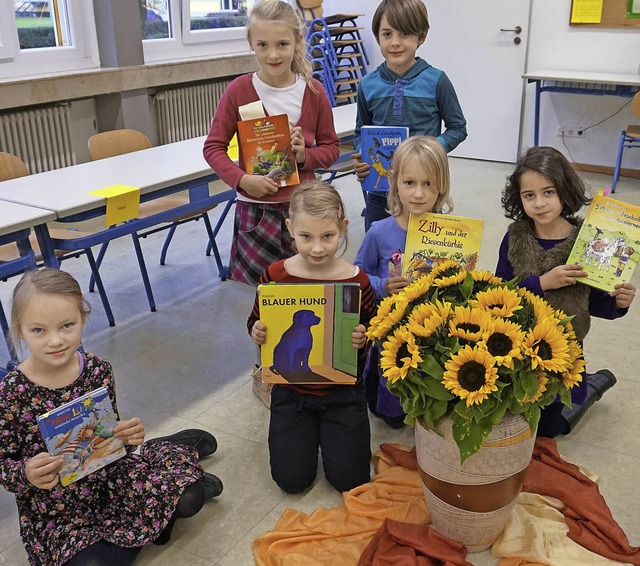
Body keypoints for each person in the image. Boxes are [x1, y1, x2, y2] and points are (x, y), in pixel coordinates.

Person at [0, 269, 223, 566]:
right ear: (20, 329)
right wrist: (26, 472)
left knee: (190, 499)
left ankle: (164, 457)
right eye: (38, 330)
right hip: (58, 509)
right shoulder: (10, 393)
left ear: (83, 319)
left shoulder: (97, 370)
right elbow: (4, 463)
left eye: (67, 325)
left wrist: (125, 436)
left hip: (112, 481)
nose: (55, 341)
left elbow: (110, 434)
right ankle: (159, 478)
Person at [496, 146, 636, 437]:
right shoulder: (513, 239)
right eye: (529, 195)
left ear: (565, 191)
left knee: (551, 431)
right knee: (512, 425)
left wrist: (619, 303)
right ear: (519, 198)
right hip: (518, 351)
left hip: (565, 357)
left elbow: (596, 304)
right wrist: (542, 284)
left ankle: (593, 387)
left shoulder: (589, 242)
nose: (540, 203)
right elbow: (498, 297)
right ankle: (590, 386)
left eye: (549, 192)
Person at [247, 182, 376, 493]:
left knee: (351, 481)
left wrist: (364, 338)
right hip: (292, 394)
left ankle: (332, 434)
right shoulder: (275, 276)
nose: (317, 248)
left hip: (343, 394)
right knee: (291, 481)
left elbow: (372, 327)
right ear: (290, 228)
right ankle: (306, 434)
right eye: (306, 237)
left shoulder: (356, 280)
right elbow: (255, 319)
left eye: (327, 236)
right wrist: (256, 330)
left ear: (343, 229)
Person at [203, 0, 340, 286]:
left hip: (303, 211)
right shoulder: (238, 91)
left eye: (282, 44)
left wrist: (305, 158)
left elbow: (331, 149)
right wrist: (241, 180)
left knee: (306, 288)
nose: (273, 54)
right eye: (263, 45)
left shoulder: (314, 92)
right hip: (255, 211)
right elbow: (213, 147)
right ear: (251, 43)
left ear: (298, 41)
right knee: (264, 294)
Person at [355, 136, 454, 428]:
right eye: (410, 183)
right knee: (393, 417)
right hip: (393, 332)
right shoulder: (379, 231)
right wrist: (382, 285)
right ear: (395, 182)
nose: (419, 194)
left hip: (435, 331)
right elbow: (357, 274)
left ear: (442, 187)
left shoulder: (451, 234)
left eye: (428, 184)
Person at [351, 0, 467, 231]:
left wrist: (434, 147)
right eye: (387, 34)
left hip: (422, 190)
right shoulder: (367, 84)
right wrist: (362, 154)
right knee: (380, 251)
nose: (395, 42)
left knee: (425, 257)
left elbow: (458, 128)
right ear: (377, 37)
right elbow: (360, 131)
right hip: (379, 189)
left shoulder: (437, 80)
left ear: (421, 36)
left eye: (404, 34)